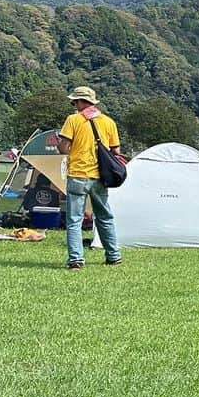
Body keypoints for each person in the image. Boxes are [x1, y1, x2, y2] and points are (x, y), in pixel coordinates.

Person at [56, 86, 122, 271]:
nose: (74, 105)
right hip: (100, 177)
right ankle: (113, 255)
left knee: (74, 220)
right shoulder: (108, 122)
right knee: (104, 217)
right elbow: (116, 150)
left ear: (81, 102)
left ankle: (76, 260)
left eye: (75, 101)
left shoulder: (73, 120)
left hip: (78, 175)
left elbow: (63, 149)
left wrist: (60, 140)